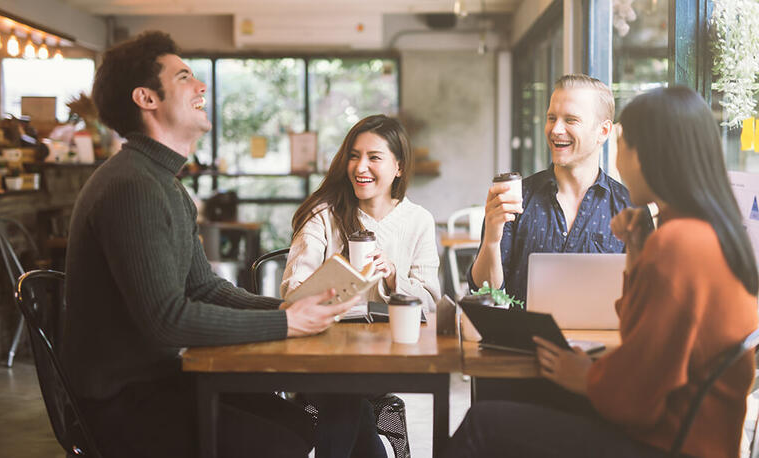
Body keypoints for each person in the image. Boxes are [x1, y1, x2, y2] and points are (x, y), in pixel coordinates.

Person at [61, 31, 357, 458]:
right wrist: (288, 325)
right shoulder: (133, 186)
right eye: (184, 77)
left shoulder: (162, 182)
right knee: (283, 442)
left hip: (159, 382)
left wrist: (286, 309)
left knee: (299, 422)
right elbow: (166, 319)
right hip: (121, 403)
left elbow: (204, 288)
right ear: (147, 98)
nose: (201, 87)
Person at [444, 86, 759, 458]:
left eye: (624, 146)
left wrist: (582, 375)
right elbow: (648, 344)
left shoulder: (676, 244)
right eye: (551, 118)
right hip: (690, 437)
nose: (619, 162)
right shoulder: (709, 235)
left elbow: (635, 400)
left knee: (483, 423)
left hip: (664, 443)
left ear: (650, 156)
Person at [466, 73, 650, 409]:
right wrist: (491, 240)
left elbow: (646, 303)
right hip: (517, 367)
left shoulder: (630, 208)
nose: (556, 129)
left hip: (595, 373)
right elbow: (484, 292)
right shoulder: (516, 198)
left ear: (604, 132)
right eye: (552, 118)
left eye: (571, 120)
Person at [281, 114, 441, 458]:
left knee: (346, 397)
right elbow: (292, 291)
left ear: (398, 167)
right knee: (348, 396)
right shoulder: (323, 214)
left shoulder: (418, 221)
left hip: (384, 355)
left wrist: (395, 277)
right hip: (322, 350)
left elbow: (430, 302)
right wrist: (337, 274)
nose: (360, 167)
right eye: (354, 156)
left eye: (374, 157)